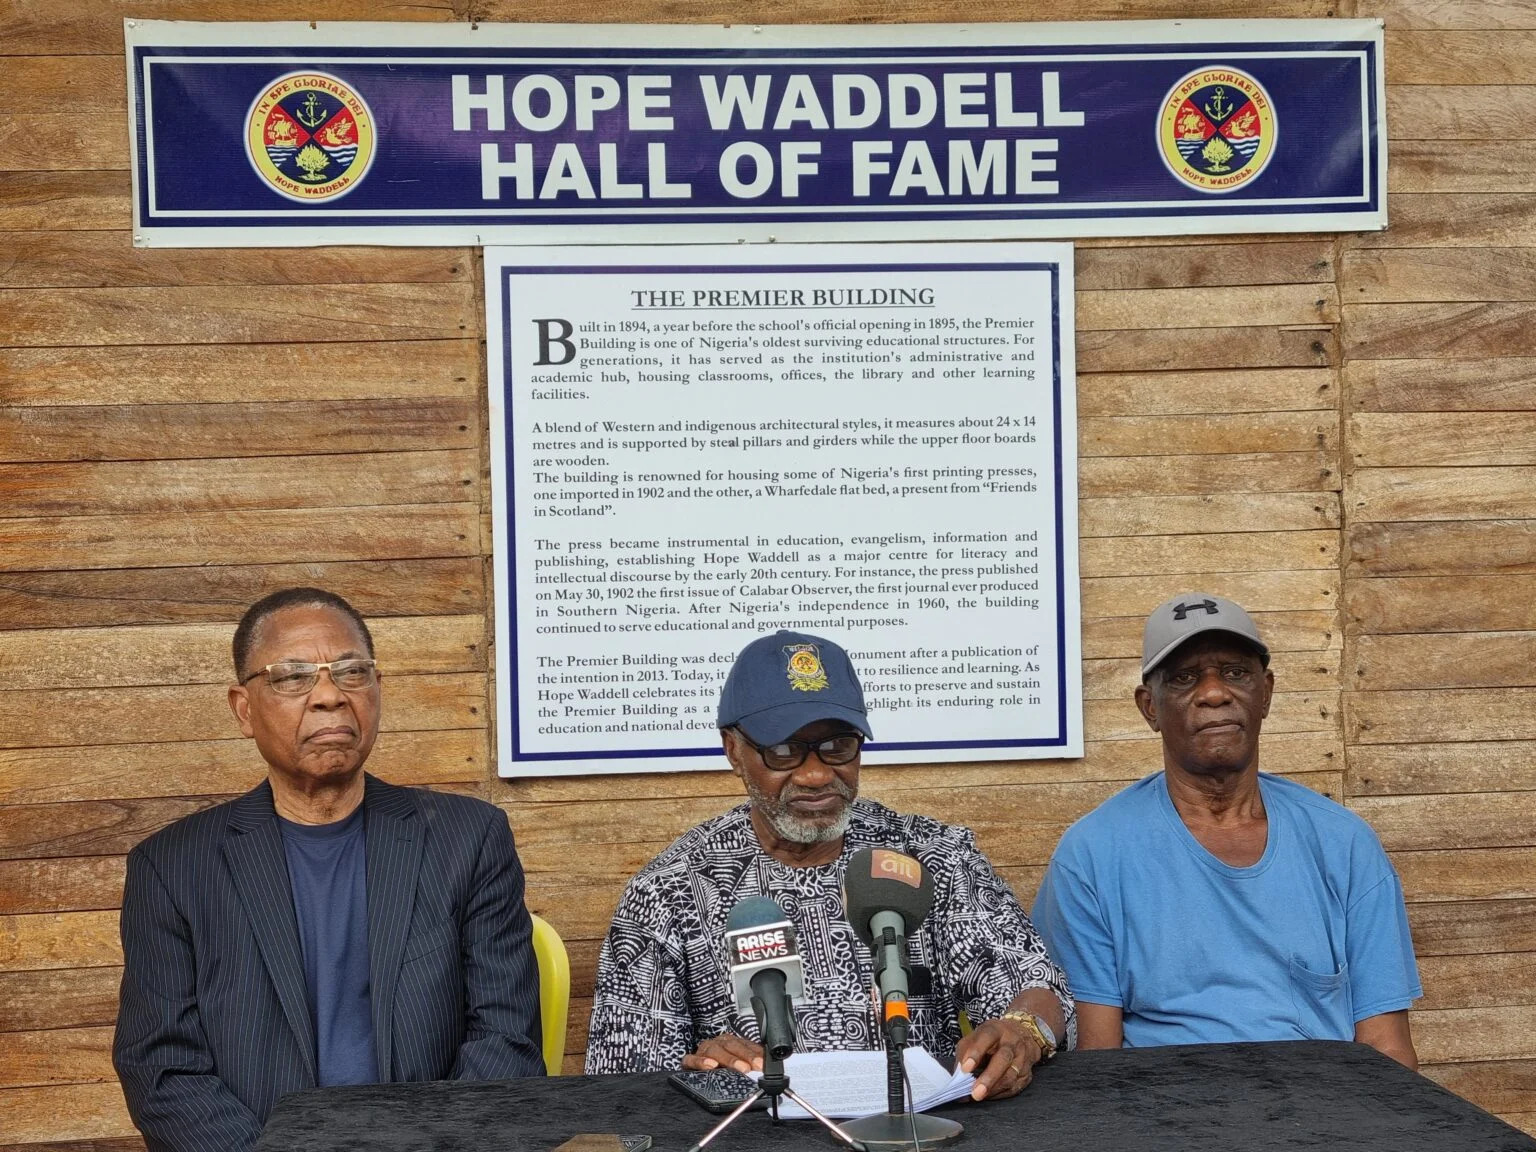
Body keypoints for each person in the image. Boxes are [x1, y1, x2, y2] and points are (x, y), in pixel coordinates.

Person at [113, 588, 543, 1152]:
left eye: (351, 672)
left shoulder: (468, 839)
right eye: (293, 677)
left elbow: (507, 1040)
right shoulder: (173, 867)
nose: (329, 696)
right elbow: (162, 1070)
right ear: (244, 709)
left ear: (378, 689)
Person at [585, 629, 1073, 1099]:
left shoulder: (933, 855)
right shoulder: (668, 892)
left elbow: (1034, 985)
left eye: (837, 746)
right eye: (783, 751)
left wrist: (1023, 1031)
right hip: (755, 1133)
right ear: (733, 750)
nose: (816, 774)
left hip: (920, 1129)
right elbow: (624, 1081)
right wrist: (703, 1069)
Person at [1032, 593, 1420, 1066]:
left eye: (1235, 673)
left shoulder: (1344, 844)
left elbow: (1387, 1049)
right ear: (1149, 707)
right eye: (1185, 677)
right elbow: (1097, 1062)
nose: (1214, 693)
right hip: (1165, 1105)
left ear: (1266, 693)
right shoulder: (1092, 855)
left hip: (1322, 1104)